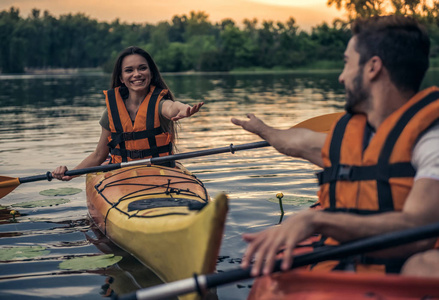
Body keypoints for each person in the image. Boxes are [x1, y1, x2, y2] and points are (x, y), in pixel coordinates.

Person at [232, 15, 439, 276]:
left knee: (422, 268)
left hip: (402, 276)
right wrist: (263, 129)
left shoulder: (432, 142)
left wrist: (316, 219)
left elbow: (418, 231)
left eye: (347, 63)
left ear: (373, 67)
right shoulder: (354, 138)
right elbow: (297, 143)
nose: (341, 77)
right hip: (345, 270)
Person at [52, 46, 203, 180]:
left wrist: (184, 110)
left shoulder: (160, 105)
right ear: (121, 78)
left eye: (142, 68)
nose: (137, 74)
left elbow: (173, 107)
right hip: (122, 177)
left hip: (161, 174)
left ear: (150, 73)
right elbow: (99, 155)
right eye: (129, 70)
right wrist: (70, 173)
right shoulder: (110, 113)